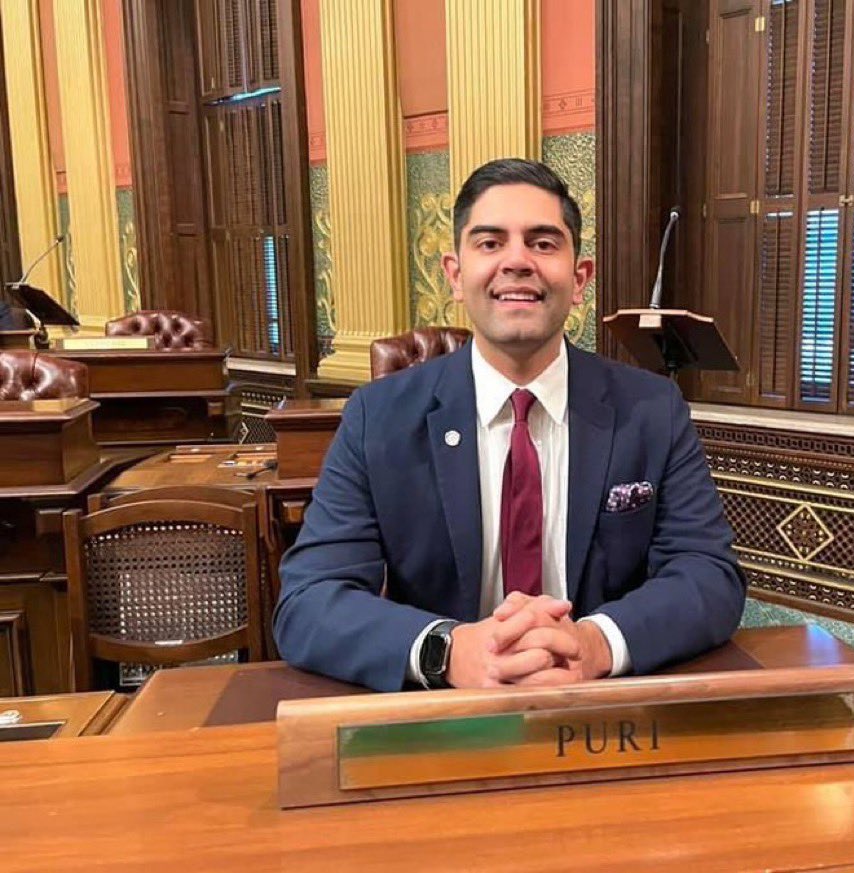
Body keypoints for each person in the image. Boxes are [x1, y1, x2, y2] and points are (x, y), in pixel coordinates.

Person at [274, 158, 745, 692]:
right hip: (442, 724)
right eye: (490, 242)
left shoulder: (652, 410)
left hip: (601, 711)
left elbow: (709, 575)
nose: (517, 261)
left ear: (579, 278)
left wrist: (595, 644)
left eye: (543, 243)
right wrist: (448, 652)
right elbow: (308, 600)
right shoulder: (376, 417)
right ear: (455, 275)